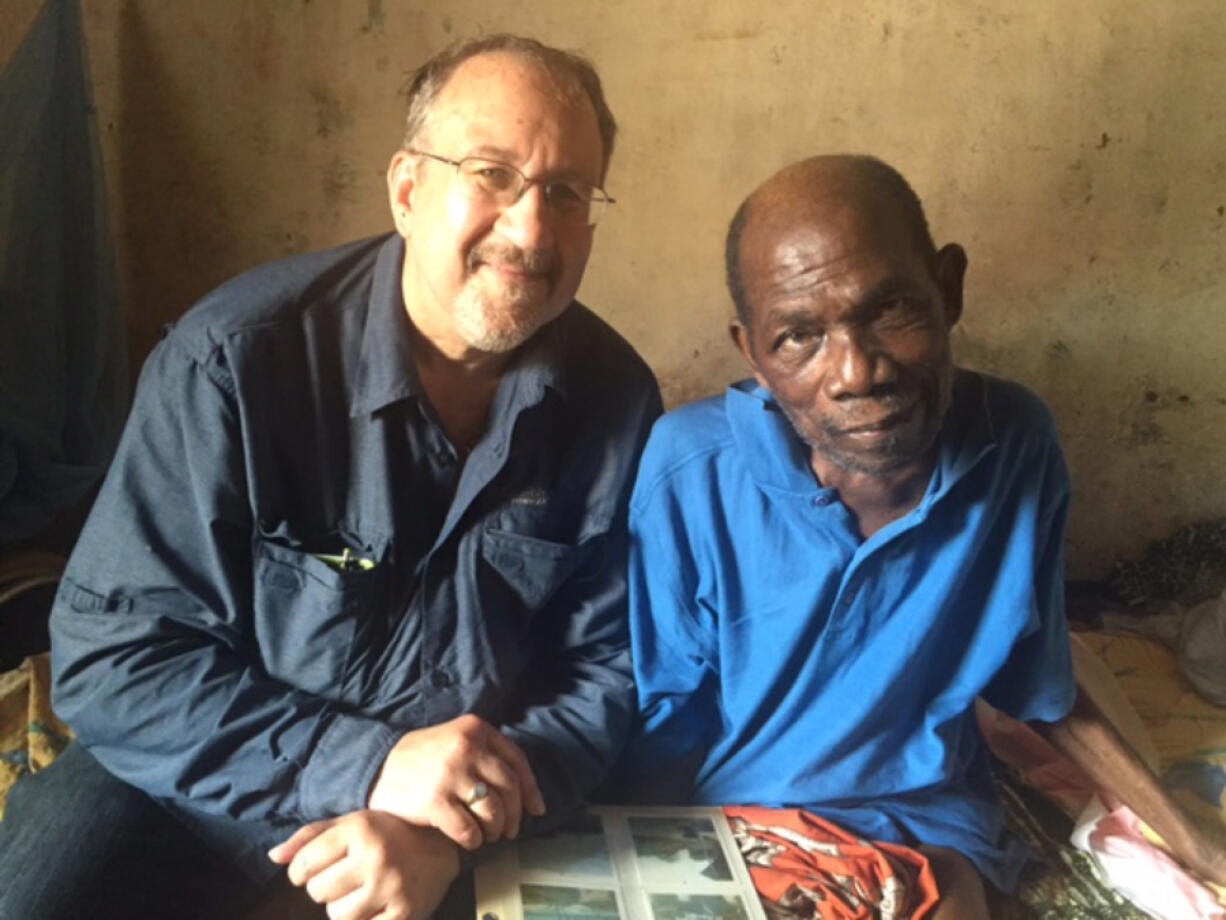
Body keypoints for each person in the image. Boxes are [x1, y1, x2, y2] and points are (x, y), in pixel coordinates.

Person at [0, 34, 660, 920]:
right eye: (492, 173)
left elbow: (603, 671)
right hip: (192, 789)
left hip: (453, 825)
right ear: (407, 190)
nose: (532, 227)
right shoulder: (235, 360)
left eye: (567, 192)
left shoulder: (615, 401)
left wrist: (439, 833)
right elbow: (114, 658)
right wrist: (373, 768)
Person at [619, 154, 1226, 917]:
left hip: (924, 824)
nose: (855, 372)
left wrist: (1195, 846)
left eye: (888, 311)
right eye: (798, 338)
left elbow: (1036, 684)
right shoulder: (691, 471)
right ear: (753, 355)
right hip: (741, 824)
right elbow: (667, 719)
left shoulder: (1014, 445)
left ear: (949, 290)